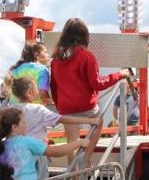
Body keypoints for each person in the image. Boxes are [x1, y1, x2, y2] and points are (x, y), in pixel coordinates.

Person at [50, 18, 130, 167]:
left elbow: (53, 86)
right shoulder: (87, 56)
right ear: (84, 35)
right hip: (86, 106)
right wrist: (119, 74)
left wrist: (59, 106)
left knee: (71, 144)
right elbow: (98, 83)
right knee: (99, 124)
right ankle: (86, 157)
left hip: (66, 107)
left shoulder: (56, 58)